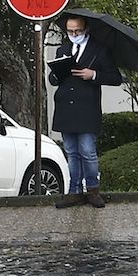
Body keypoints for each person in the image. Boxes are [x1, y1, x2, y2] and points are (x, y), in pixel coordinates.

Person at [50, 14, 123, 209]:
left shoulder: (99, 50)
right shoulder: (63, 49)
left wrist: (94, 75)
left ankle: (92, 190)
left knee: (88, 152)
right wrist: (58, 72)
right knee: (72, 152)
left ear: (86, 29)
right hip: (66, 106)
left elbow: (115, 77)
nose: (74, 34)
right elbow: (53, 79)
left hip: (87, 108)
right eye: (70, 31)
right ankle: (74, 191)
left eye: (78, 31)